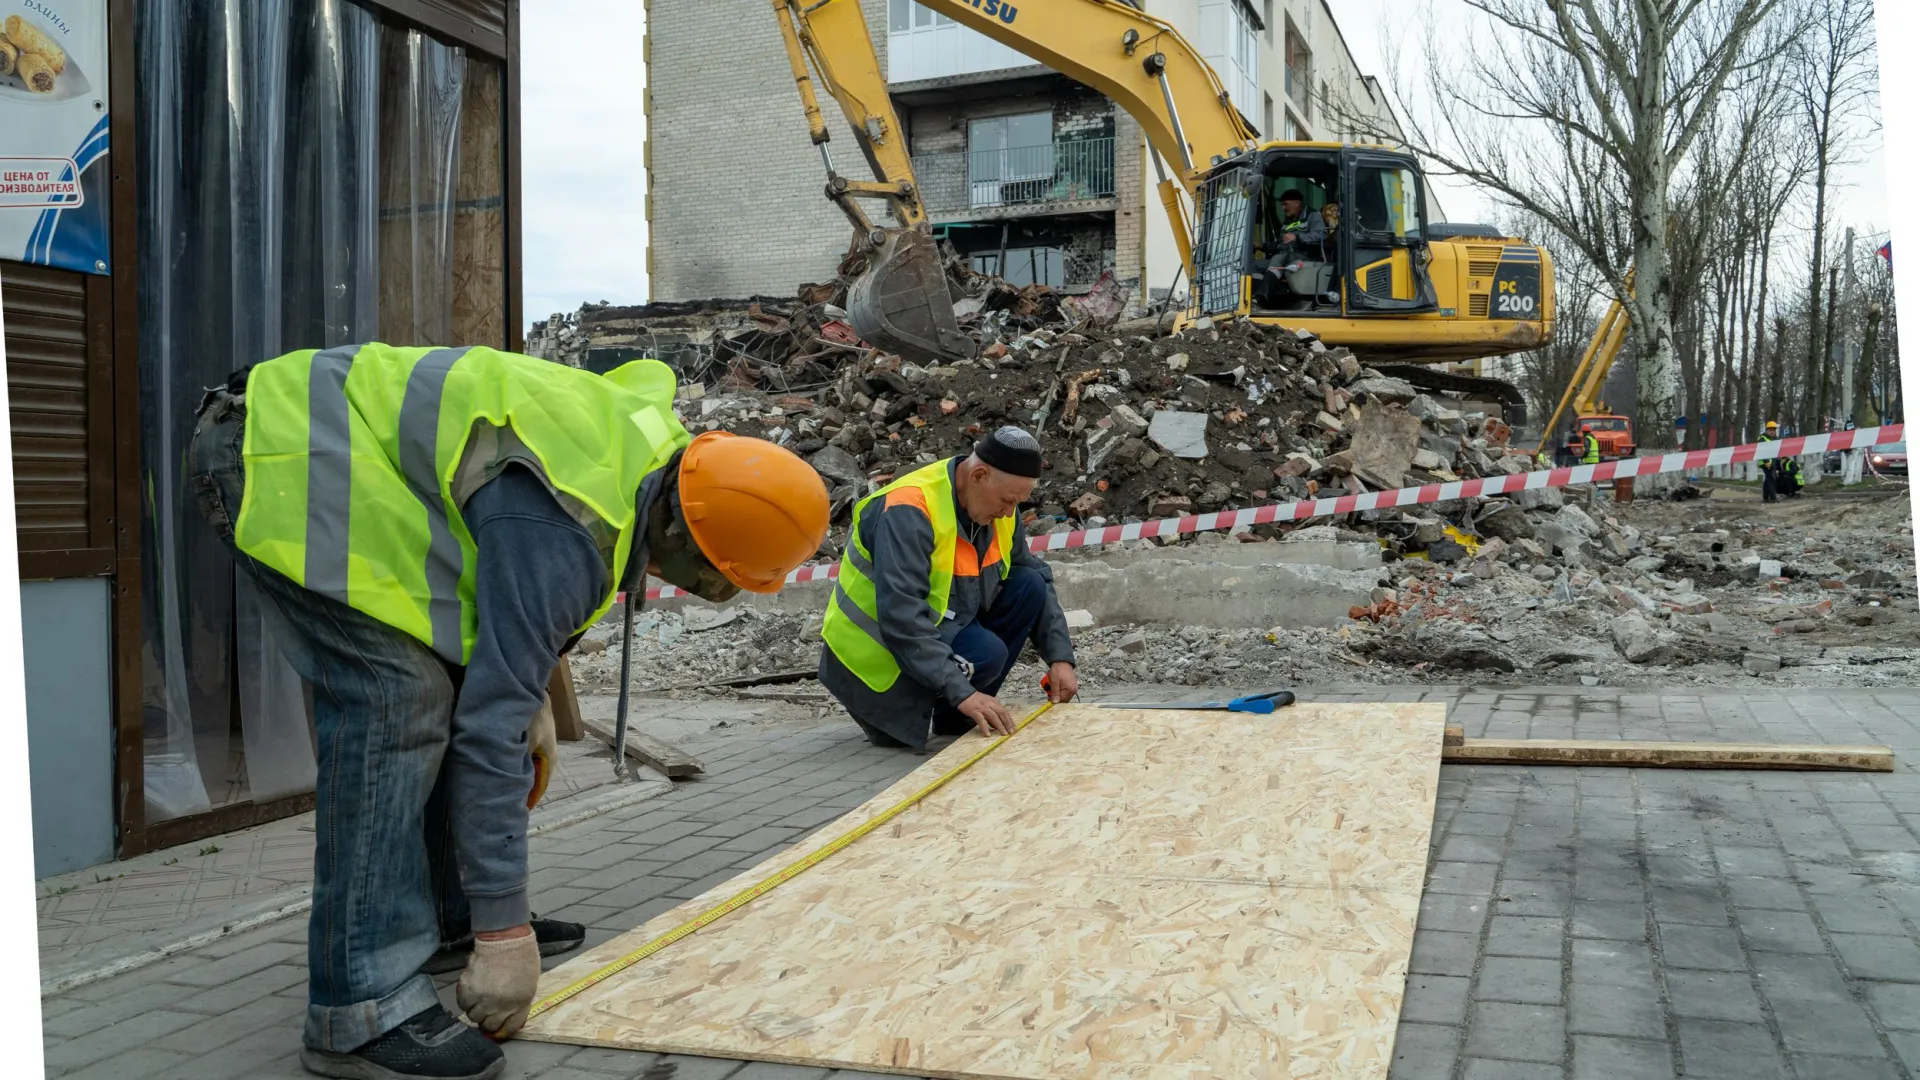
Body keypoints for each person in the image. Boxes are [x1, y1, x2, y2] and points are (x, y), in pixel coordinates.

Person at [187, 343, 829, 1080]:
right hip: (273, 447)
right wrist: (506, 933)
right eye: (717, 578)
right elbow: (490, 730)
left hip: (323, 442)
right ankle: (354, 1011)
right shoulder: (566, 527)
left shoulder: (663, 454)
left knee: (451, 691)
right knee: (399, 700)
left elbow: (620, 405)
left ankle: (443, 919)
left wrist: (527, 695)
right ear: (686, 542)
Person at [818, 426, 1079, 750]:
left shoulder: (998, 511)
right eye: (1007, 500)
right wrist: (964, 691)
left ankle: (955, 716)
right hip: (873, 657)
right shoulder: (909, 510)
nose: (1009, 512)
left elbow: (1033, 573)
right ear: (979, 475)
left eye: (1018, 503)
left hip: (937, 625)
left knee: (1029, 585)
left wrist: (1060, 658)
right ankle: (947, 702)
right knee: (898, 736)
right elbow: (902, 617)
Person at [1760, 419, 1782, 502]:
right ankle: (1773, 498)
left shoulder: (1774, 439)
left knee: (1768, 479)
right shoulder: (1762, 438)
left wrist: (1778, 464)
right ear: (1767, 430)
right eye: (1770, 430)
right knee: (1771, 479)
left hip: (1772, 462)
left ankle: (1765, 497)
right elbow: (1761, 451)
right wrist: (1766, 462)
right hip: (1766, 462)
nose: (1772, 432)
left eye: (1773, 430)